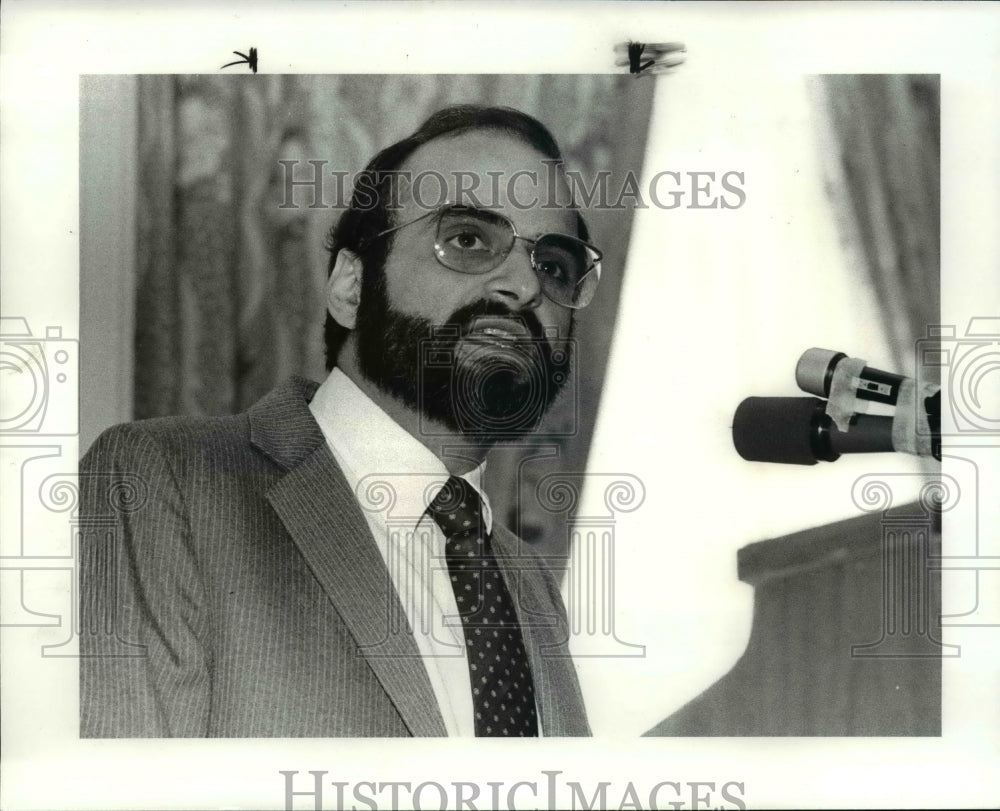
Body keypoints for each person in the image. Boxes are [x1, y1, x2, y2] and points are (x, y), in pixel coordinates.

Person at [79, 105, 600, 737]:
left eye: (554, 266)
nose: (524, 285)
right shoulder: (162, 485)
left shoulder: (532, 588)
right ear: (351, 287)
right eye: (467, 239)